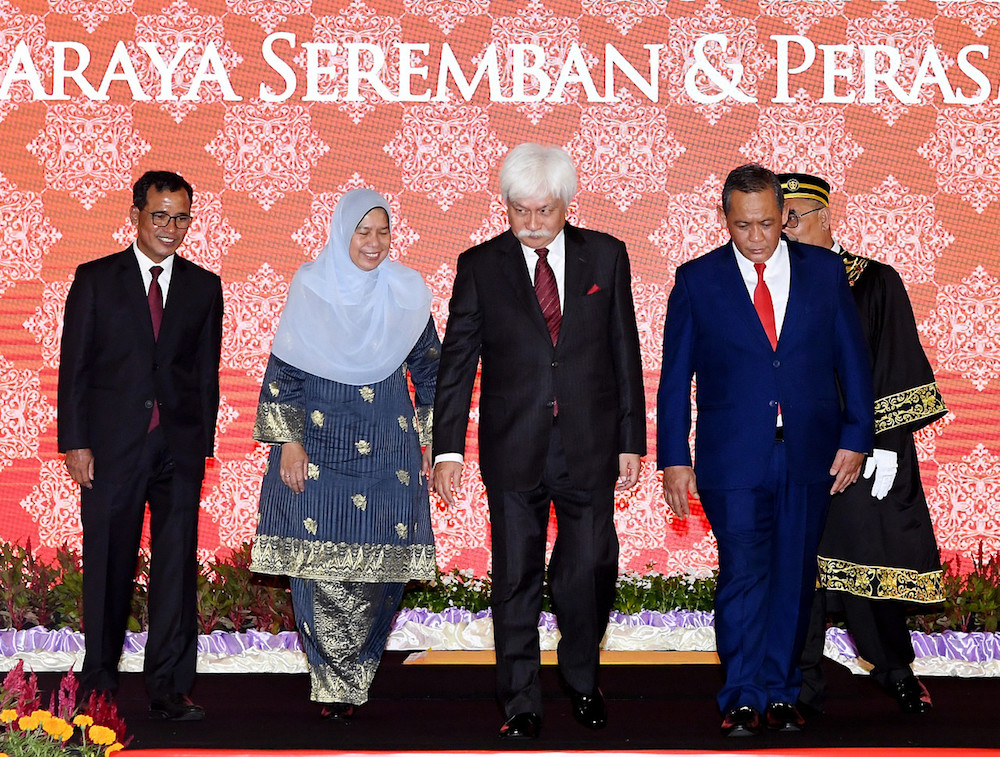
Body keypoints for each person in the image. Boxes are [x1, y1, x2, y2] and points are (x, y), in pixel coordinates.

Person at [433, 143, 645, 739]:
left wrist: (632, 439)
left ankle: (582, 681)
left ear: (565, 204)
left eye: (543, 212)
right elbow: (457, 363)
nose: (530, 224)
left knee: (588, 571)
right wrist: (447, 448)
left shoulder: (605, 256)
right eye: (518, 211)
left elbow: (623, 352)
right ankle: (521, 698)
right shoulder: (480, 265)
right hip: (513, 447)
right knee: (516, 574)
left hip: (591, 445)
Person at [657, 164, 874, 737]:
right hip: (733, 458)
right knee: (743, 576)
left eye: (767, 224)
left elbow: (853, 362)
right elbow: (675, 378)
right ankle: (742, 695)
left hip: (811, 454)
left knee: (794, 576)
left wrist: (856, 437)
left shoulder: (825, 272)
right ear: (725, 219)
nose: (755, 237)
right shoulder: (697, 280)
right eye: (742, 225)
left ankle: (781, 693)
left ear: (785, 217)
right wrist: (674, 458)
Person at [250, 188, 439, 721]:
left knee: (383, 571)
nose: (374, 243)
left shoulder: (406, 292)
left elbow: (431, 373)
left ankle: (359, 665)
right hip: (319, 444)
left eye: (383, 231)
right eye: (364, 231)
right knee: (319, 568)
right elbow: (284, 373)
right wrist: (287, 441)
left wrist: (429, 442)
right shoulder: (311, 287)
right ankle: (335, 682)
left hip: (388, 447)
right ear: (341, 232)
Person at [779, 173, 947, 715]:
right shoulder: (770, 283)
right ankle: (800, 684)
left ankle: (894, 668)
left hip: (861, 450)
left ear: (826, 218)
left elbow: (896, 364)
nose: (785, 229)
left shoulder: (873, 281)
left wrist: (886, 445)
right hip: (794, 451)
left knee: (867, 560)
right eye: (777, 220)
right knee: (796, 570)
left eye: (794, 217)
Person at [58, 170, 224, 720]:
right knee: (109, 562)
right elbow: (74, 370)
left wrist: (200, 444)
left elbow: (205, 373)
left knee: (176, 568)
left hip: (177, 450)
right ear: (136, 215)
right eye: (160, 216)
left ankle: (170, 687)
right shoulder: (96, 279)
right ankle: (100, 679)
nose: (170, 228)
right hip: (110, 450)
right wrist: (76, 443)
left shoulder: (204, 287)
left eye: (181, 218)